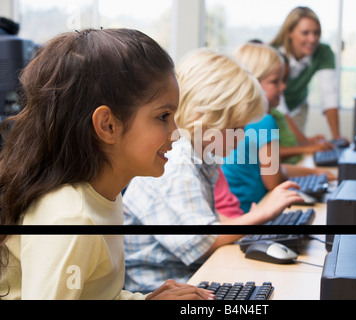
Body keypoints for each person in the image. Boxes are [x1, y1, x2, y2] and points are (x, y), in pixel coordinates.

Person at [0, 28, 213, 300]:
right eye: (163, 116)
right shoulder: (72, 218)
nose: (176, 132)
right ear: (107, 125)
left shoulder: (102, 197)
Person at [122, 48, 304, 293]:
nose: (242, 136)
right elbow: (201, 242)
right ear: (206, 117)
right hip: (159, 290)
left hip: (188, 277)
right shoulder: (176, 162)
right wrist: (259, 215)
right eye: (237, 127)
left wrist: (243, 222)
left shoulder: (201, 156)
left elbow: (206, 219)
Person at [222, 42, 336, 213]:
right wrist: (314, 173)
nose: (284, 87)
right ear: (252, 83)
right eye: (275, 81)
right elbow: (273, 181)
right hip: (250, 211)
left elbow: (273, 168)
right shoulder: (264, 120)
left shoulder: (236, 120)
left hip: (236, 212)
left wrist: (314, 172)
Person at [271, 6, 346, 142]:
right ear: (289, 32)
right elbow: (279, 106)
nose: (312, 39)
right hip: (273, 107)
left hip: (298, 107)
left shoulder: (323, 52)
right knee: (281, 148)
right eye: (305, 33)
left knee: (296, 149)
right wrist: (305, 143)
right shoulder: (273, 54)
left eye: (316, 33)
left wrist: (336, 138)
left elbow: (329, 95)